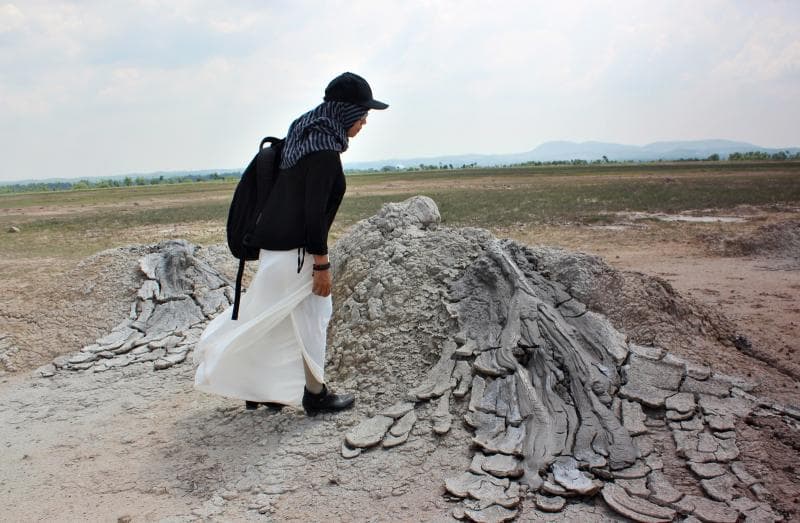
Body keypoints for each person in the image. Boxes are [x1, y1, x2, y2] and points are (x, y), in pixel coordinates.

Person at [193, 72, 388, 415]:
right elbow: (313, 213)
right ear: (343, 112)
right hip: (297, 255)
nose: (364, 121)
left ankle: (259, 389)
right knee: (314, 316)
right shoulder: (325, 151)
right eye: (362, 113)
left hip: (274, 251)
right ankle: (315, 394)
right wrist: (321, 264)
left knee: (270, 317)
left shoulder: (301, 136)